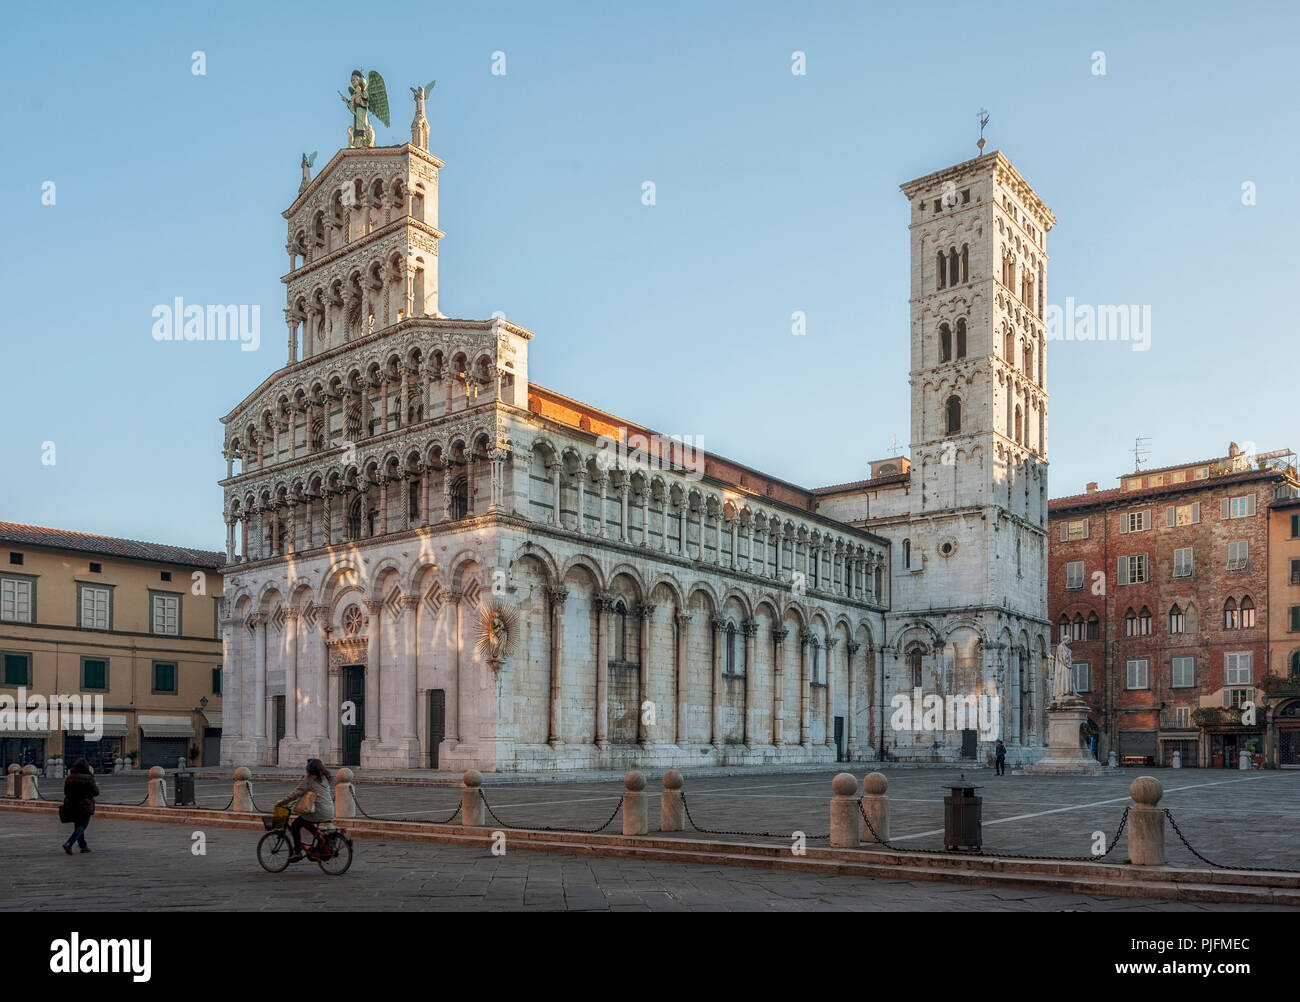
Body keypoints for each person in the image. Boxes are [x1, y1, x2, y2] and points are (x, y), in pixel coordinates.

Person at [275, 759, 335, 861]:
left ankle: (297, 852)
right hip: (330, 811)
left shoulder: (309, 779)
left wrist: (282, 802)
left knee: (295, 825)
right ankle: (320, 837)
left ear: (309, 769)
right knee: (306, 821)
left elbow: (296, 793)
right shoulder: (324, 778)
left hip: (319, 811)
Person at [61, 758, 99, 854]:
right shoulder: (88, 778)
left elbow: (65, 792)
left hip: (71, 804)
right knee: (82, 826)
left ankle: (83, 846)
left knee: (78, 825)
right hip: (84, 805)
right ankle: (69, 843)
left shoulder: (69, 778)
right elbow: (96, 792)